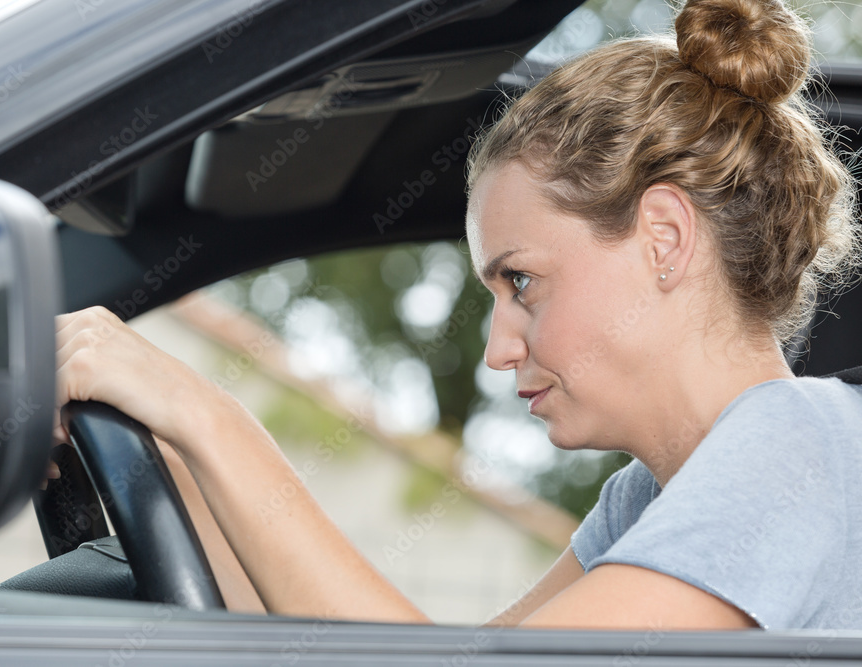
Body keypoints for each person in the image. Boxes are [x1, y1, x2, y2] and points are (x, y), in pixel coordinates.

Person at [52, 0, 862, 630]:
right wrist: (181, 465)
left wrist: (209, 415)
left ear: (664, 238)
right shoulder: (646, 499)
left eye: (522, 281)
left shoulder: (794, 447)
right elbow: (451, 650)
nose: (499, 349)